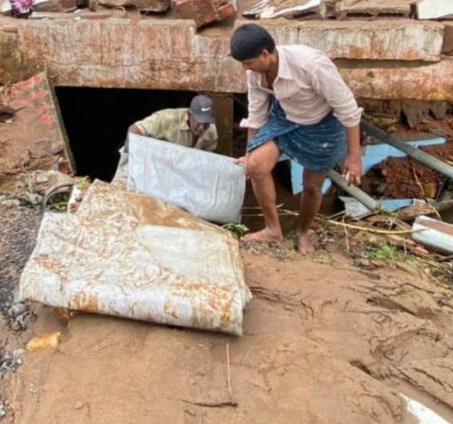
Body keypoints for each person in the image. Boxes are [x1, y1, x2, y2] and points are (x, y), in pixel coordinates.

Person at [230, 25, 363, 254]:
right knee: (256, 166)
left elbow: (348, 109)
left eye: (249, 62)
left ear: (265, 54)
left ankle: (303, 231)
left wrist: (354, 155)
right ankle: (273, 230)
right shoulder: (255, 72)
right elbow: (257, 111)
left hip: (322, 124)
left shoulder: (311, 66)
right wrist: (250, 150)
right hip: (285, 118)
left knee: (312, 186)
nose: (246, 68)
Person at [113, 95, 219, 183]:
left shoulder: (211, 132)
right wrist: (136, 163)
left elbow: (206, 160)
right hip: (152, 166)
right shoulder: (167, 119)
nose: (202, 128)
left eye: (206, 123)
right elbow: (134, 129)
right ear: (189, 114)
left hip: (178, 172)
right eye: (199, 122)